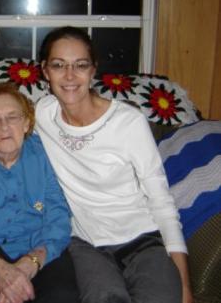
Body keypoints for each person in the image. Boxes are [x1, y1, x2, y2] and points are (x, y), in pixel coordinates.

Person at [34, 26, 193, 303]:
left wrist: (185, 287)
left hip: (142, 240)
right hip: (85, 244)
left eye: (80, 65)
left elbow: (161, 201)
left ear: (93, 70)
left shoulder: (128, 123)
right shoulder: (41, 114)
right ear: (45, 71)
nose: (70, 76)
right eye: (59, 65)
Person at [0, 82, 80, 303]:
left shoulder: (47, 155)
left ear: (27, 123)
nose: (5, 127)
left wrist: (31, 262)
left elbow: (58, 219)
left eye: (13, 117)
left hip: (39, 246)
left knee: (63, 296)